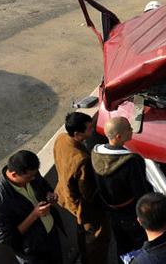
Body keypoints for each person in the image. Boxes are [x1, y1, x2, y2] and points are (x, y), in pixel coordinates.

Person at [0, 150, 63, 264]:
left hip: (51, 237)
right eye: (29, 177)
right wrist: (34, 215)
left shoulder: (31, 174)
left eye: (35, 175)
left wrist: (49, 194)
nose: (33, 179)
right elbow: (6, 238)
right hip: (33, 253)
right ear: (14, 174)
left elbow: (43, 185)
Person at [53, 112, 110, 264]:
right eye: (90, 128)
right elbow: (88, 191)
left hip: (64, 196)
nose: (93, 130)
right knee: (97, 239)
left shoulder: (61, 139)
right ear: (78, 134)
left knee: (83, 234)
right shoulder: (81, 160)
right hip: (84, 207)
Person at [92, 116, 152, 260]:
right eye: (129, 129)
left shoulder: (95, 152)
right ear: (119, 137)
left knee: (122, 244)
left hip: (111, 210)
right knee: (141, 245)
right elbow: (141, 192)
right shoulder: (131, 161)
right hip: (131, 211)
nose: (132, 129)